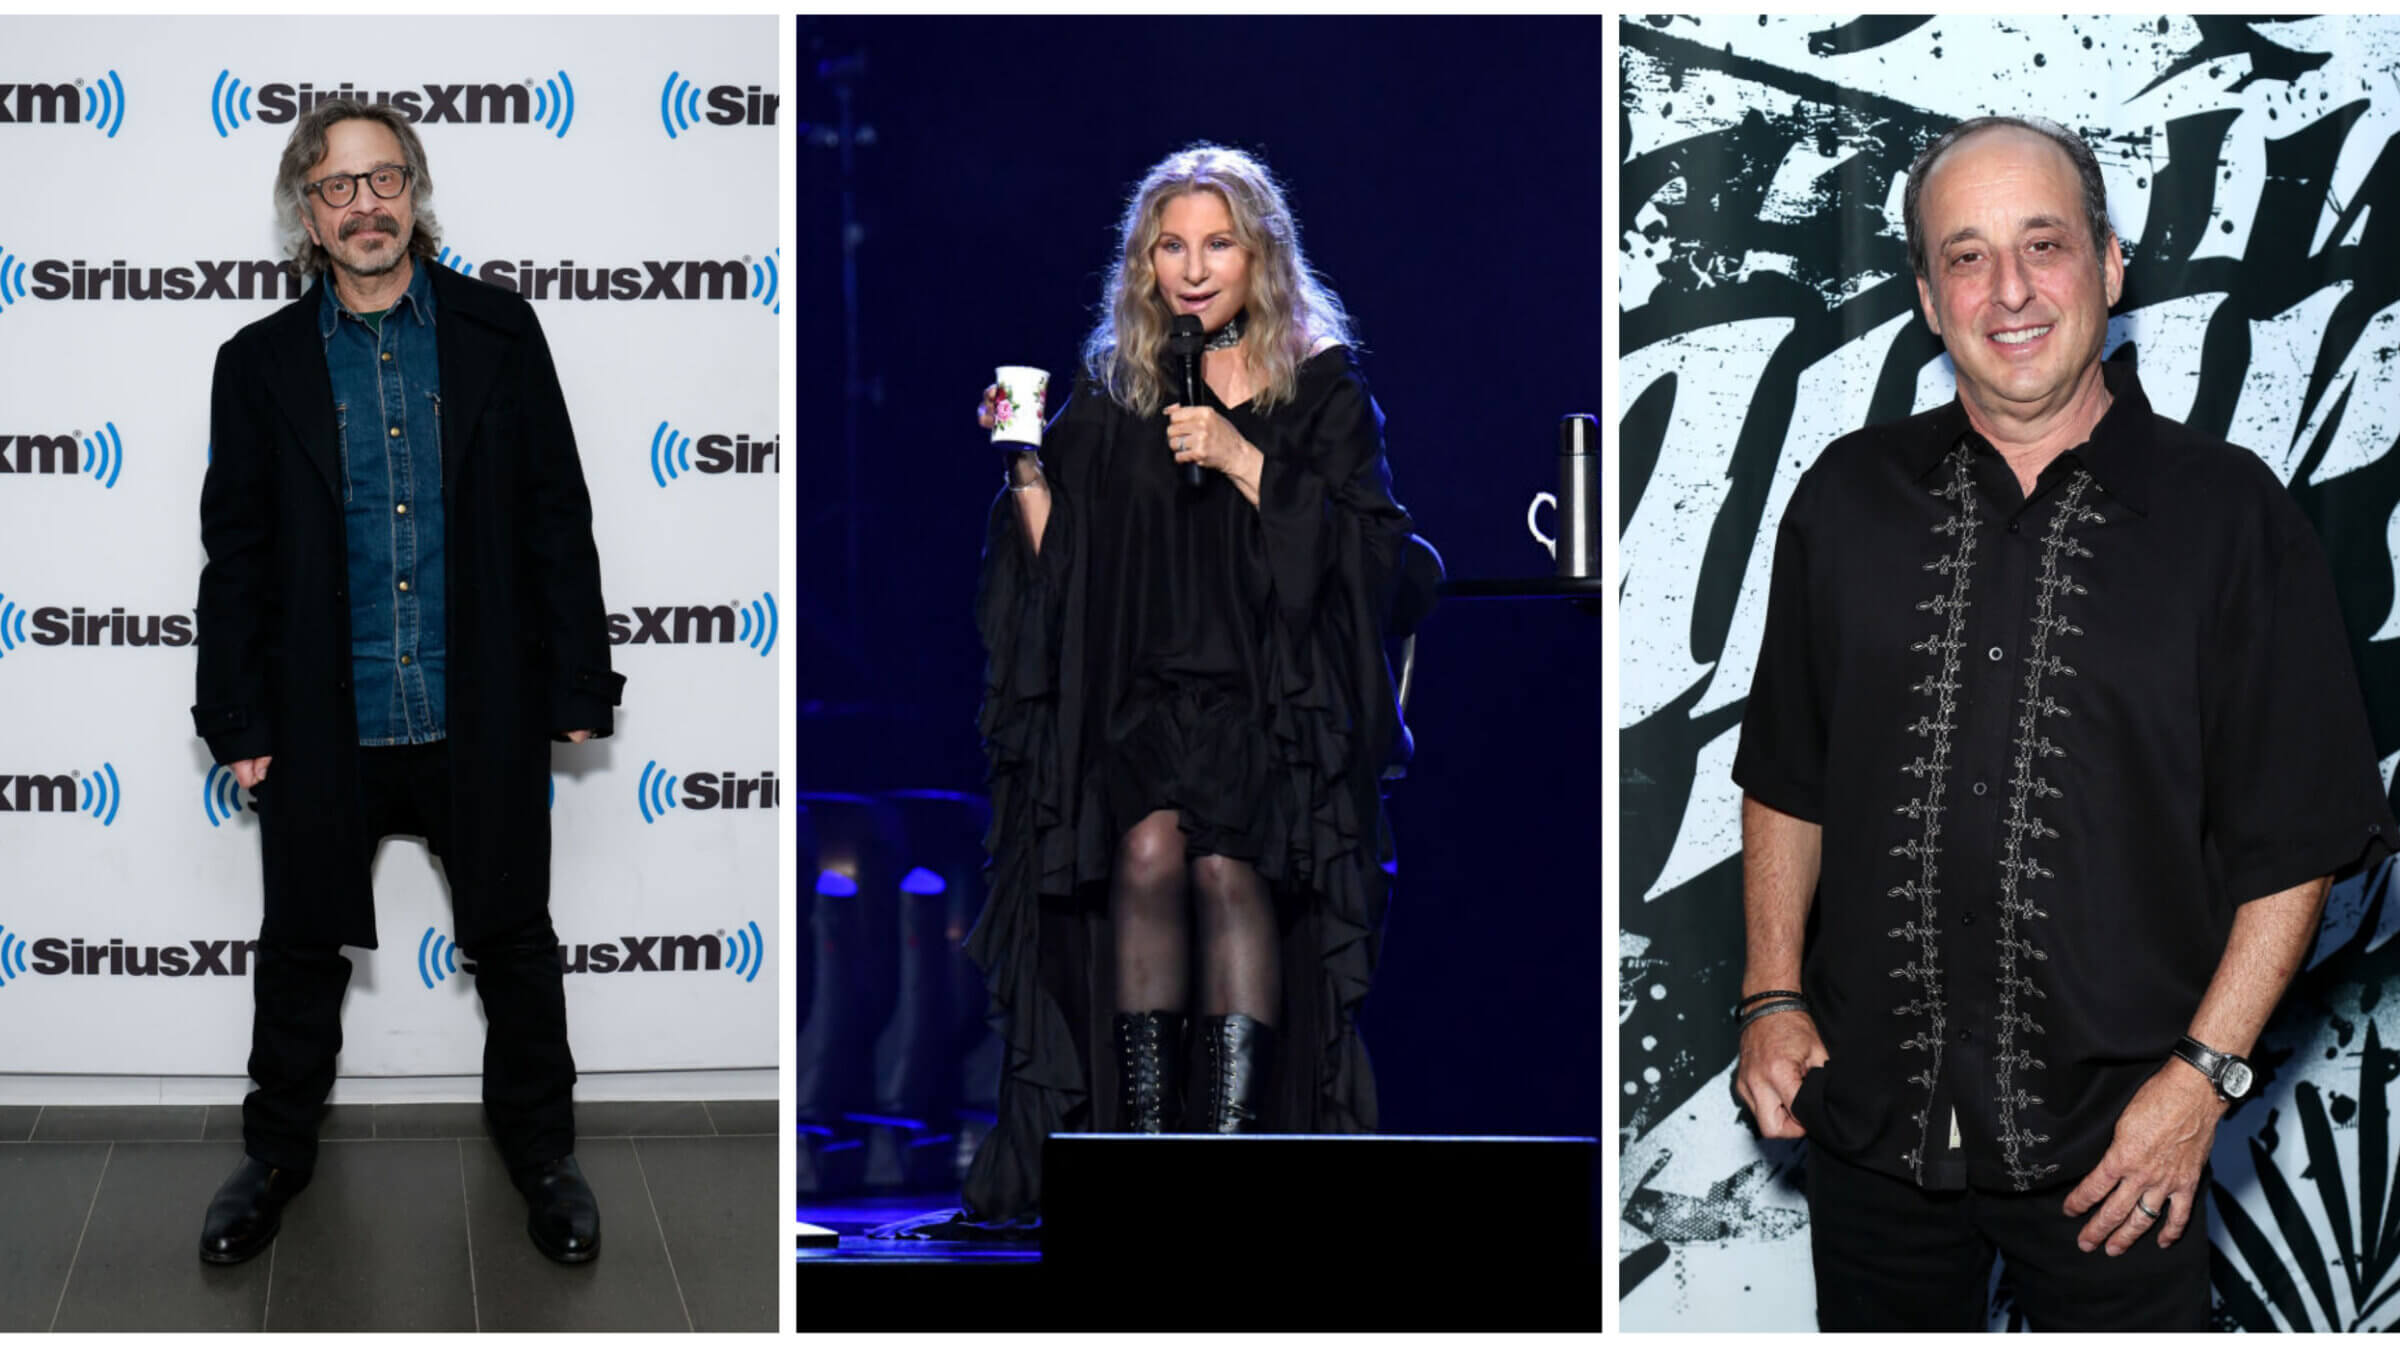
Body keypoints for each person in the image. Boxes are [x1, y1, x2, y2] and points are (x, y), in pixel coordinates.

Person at [1730, 114, 2400, 1331]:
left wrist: (2199, 1083)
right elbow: (1787, 770)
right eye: (1968, 257)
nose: (2011, 291)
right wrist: (1772, 994)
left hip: (2122, 1155)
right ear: (1930, 299)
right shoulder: (1843, 499)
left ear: (2109, 263)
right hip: (1872, 1135)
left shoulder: (2230, 520)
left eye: (2043, 244)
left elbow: (2298, 840)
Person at [192, 99, 623, 1266]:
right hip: (321, 716)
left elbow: (556, 516)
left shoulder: (498, 330)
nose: (365, 204)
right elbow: (235, 552)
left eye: (385, 179)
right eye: (338, 187)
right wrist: (234, 715)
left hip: (476, 702)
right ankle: (274, 1156)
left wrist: (579, 676)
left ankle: (544, 1157)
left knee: (515, 945)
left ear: (414, 192)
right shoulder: (258, 363)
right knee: (296, 952)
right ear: (308, 211)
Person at [960, 143, 1413, 1224]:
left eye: (1218, 244)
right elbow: (1061, 560)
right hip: (1147, 700)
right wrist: (1023, 463)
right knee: (1148, 851)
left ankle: (1229, 1163)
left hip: (1269, 702)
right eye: (1173, 246)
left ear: (1261, 255)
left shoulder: (1323, 381)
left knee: (1223, 870)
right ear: (1145, 263)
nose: (1195, 268)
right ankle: (1149, 1162)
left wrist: (1245, 458)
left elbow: (1377, 553)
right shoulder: (1118, 384)